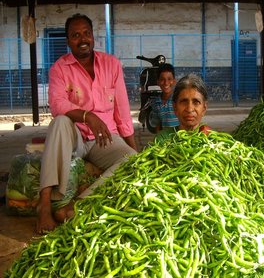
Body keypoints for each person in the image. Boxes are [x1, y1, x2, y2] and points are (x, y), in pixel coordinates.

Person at [36, 13, 137, 234]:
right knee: (60, 122)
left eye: (86, 34)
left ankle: (79, 204)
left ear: (92, 36)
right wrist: (87, 116)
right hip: (75, 137)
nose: (82, 39)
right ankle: (44, 203)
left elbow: (122, 109)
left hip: (105, 138)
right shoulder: (59, 68)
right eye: (75, 35)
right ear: (68, 41)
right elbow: (57, 104)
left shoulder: (112, 65)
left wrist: (133, 149)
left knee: (132, 161)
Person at [155, 73, 211, 143]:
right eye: (184, 102)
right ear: (175, 107)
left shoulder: (213, 140)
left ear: (204, 108)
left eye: (196, 102)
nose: (189, 109)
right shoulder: (163, 139)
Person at [152, 63, 179, 132]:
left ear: (174, 81)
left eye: (169, 79)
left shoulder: (179, 99)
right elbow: (157, 124)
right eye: (162, 79)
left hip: (180, 139)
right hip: (166, 141)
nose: (166, 83)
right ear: (158, 82)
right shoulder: (156, 102)